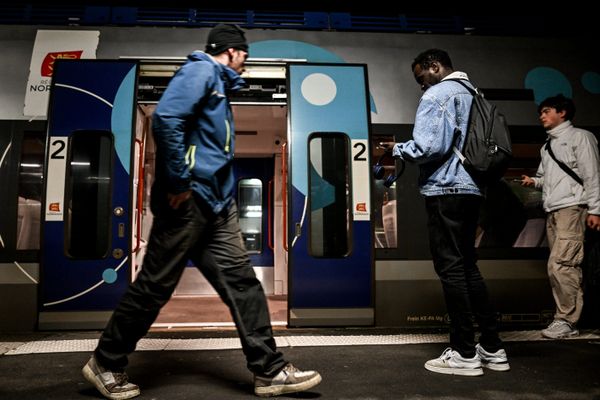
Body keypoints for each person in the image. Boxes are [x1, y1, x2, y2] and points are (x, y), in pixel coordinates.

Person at [81, 23, 321, 399]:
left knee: (243, 285)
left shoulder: (219, 85)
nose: (247, 63)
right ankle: (106, 362)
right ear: (233, 51)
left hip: (216, 205)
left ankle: (269, 371)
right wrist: (177, 183)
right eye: (245, 55)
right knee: (154, 288)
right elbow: (166, 119)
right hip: (188, 201)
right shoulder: (201, 70)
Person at [384, 48, 509, 376]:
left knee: (451, 270)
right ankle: (493, 348)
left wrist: (396, 148)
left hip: (445, 190)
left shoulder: (439, 94)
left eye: (420, 77)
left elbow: (429, 147)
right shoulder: (473, 92)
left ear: (434, 66)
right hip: (471, 189)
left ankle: (464, 353)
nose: (420, 86)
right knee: (468, 267)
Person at [520, 94, 600, 339]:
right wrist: (535, 181)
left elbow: (592, 175)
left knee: (562, 265)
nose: (541, 116)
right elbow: (546, 178)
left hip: (573, 208)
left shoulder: (580, 137)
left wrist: (596, 209)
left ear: (562, 112)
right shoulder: (548, 146)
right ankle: (566, 319)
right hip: (553, 210)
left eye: (546, 111)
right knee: (564, 265)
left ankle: (566, 321)